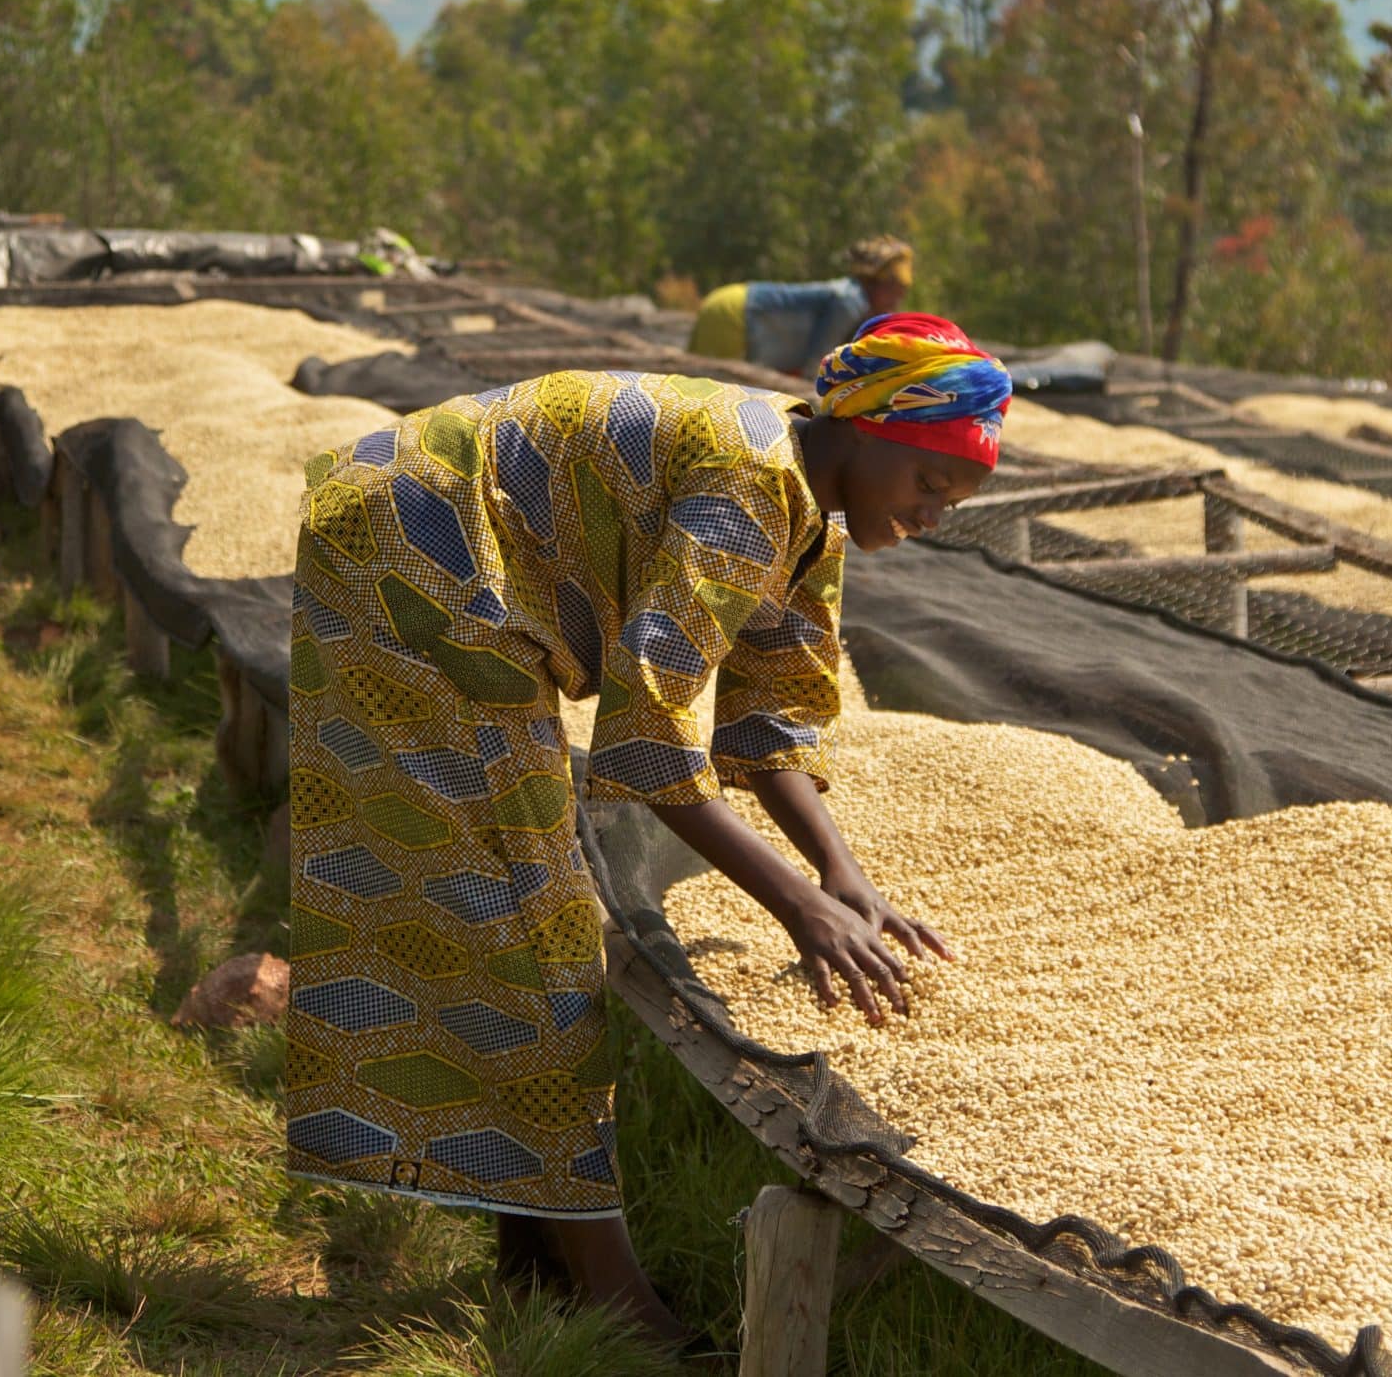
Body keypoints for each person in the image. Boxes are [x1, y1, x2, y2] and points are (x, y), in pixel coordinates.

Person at [284, 313, 1010, 1351]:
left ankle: (535, 1255)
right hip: (414, 550)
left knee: (511, 913)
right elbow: (649, 742)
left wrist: (843, 875)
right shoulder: (755, 488)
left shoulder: (806, 507)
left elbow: (769, 720)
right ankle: (606, 1293)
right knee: (538, 926)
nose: (938, 512)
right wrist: (795, 906)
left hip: (421, 542)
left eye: (959, 496)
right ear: (864, 428)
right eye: (931, 482)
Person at [687, 235, 914, 377]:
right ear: (877, 282)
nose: (897, 298)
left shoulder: (851, 298)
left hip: (728, 303)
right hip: (734, 315)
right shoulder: (849, 302)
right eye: (894, 288)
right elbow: (815, 368)